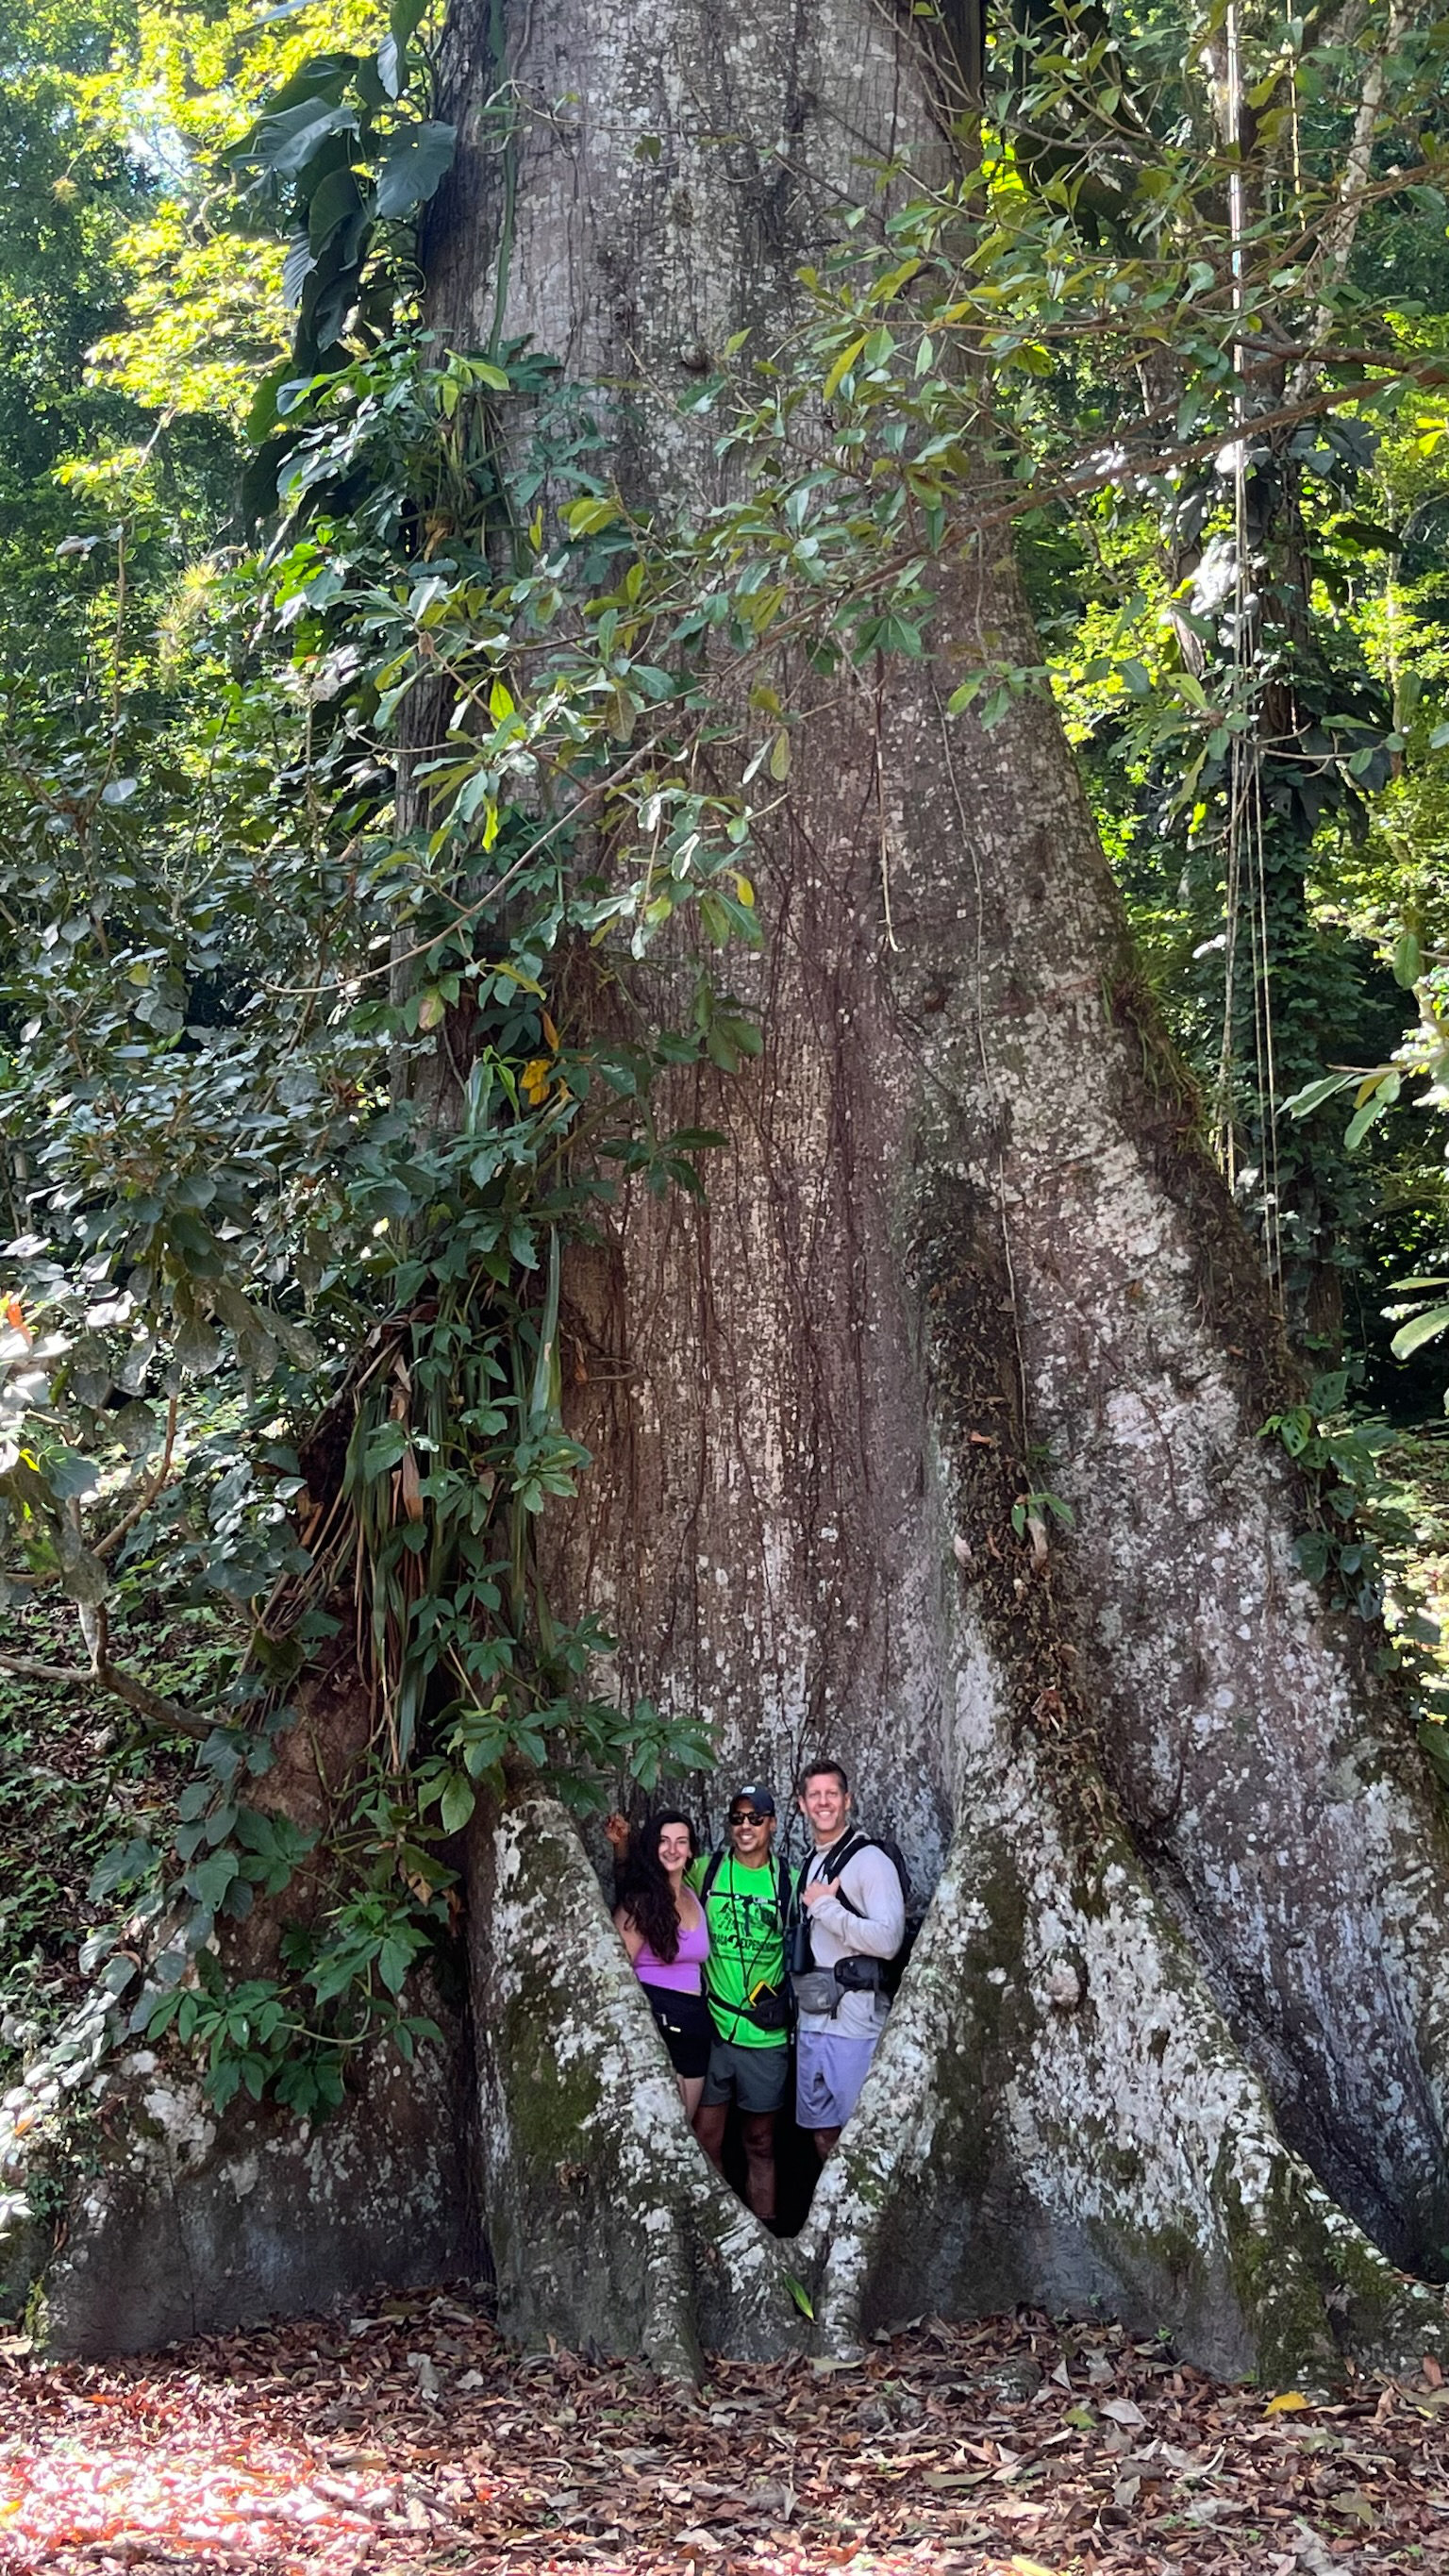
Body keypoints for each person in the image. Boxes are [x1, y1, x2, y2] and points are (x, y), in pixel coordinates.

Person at [688, 1784, 791, 2226]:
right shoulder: (707, 1873)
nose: (745, 1826)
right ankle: (723, 2231)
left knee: (760, 2140)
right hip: (713, 2030)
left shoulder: (789, 1879)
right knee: (706, 2135)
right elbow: (655, 1886)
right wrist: (620, 1853)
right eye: (737, 1818)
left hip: (765, 2034)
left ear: (772, 1823)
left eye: (755, 1817)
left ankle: (764, 2228)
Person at [793, 1759, 905, 2161]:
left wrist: (830, 1911)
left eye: (832, 1794)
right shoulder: (811, 1862)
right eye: (814, 1795)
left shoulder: (870, 1860)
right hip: (813, 2017)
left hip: (856, 2026)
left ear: (847, 1800)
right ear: (802, 1804)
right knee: (821, 2135)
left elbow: (889, 1940)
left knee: (858, 2140)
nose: (823, 1803)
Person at [609, 1811, 712, 2117]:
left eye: (681, 1842)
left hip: (694, 2026)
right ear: (653, 1847)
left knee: (685, 2133)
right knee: (664, 2122)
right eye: (664, 1841)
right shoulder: (640, 1902)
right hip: (659, 2020)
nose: (672, 1849)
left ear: (691, 1850)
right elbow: (618, 1968)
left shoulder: (692, 1896)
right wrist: (621, 1846)